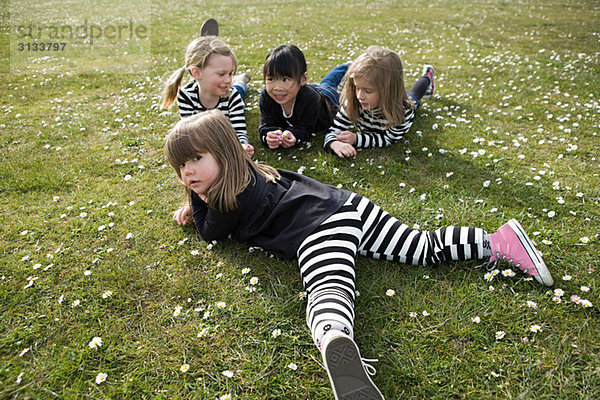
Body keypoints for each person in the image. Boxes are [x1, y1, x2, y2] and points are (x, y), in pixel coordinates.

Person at [165, 109, 554, 399]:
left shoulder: (223, 202)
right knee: (421, 246)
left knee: (327, 284)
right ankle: (497, 241)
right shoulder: (254, 172)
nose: (188, 173)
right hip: (348, 206)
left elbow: (209, 234)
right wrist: (200, 194)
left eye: (196, 160)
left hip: (316, 231)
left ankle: (335, 337)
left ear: (225, 153)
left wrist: (196, 201)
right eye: (181, 165)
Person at [325, 45, 435, 158]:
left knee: (414, 97)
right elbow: (334, 129)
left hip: (399, 102)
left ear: (388, 91)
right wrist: (333, 143)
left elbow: (387, 138)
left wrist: (357, 139)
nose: (359, 96)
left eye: (368, 91)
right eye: (357, 88)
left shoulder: (403, 111)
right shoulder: (352, 101)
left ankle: (428, 76)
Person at [161, 35, 254, 157]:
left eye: (231, 73)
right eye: (221, 74)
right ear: (196, 73)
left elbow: (239, 131)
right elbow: (190, 133)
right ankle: (240, 80)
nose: (228, 79)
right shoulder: (186, 95)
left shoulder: (233, 97)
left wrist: (242, 145)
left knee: (238, 89)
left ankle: (241, 81)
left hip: (230, 93)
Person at [259, 44, 349, 149]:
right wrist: (268, 136)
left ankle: (348, 67)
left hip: (327, 98)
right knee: (325, 83)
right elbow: (265, 125)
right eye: (271, 79)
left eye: (285, 79)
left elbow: (306, 128)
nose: (277, 87)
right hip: (303, 89)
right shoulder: (266, 96)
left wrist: (295, 135)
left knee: (329, 84)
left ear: (303, 79)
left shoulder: (311, 99)